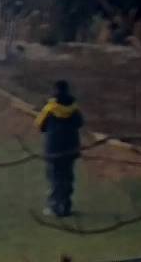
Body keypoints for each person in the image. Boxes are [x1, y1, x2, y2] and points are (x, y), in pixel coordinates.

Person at [36, 79, 84, 217]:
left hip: (54, 148)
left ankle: (55, 207)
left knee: (54, 178)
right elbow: (80, 123)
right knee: (67, 177)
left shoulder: (50, 108)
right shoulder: (74, 108)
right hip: (71, 148)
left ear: (55, 90)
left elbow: (40, 125)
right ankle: (66, 206)